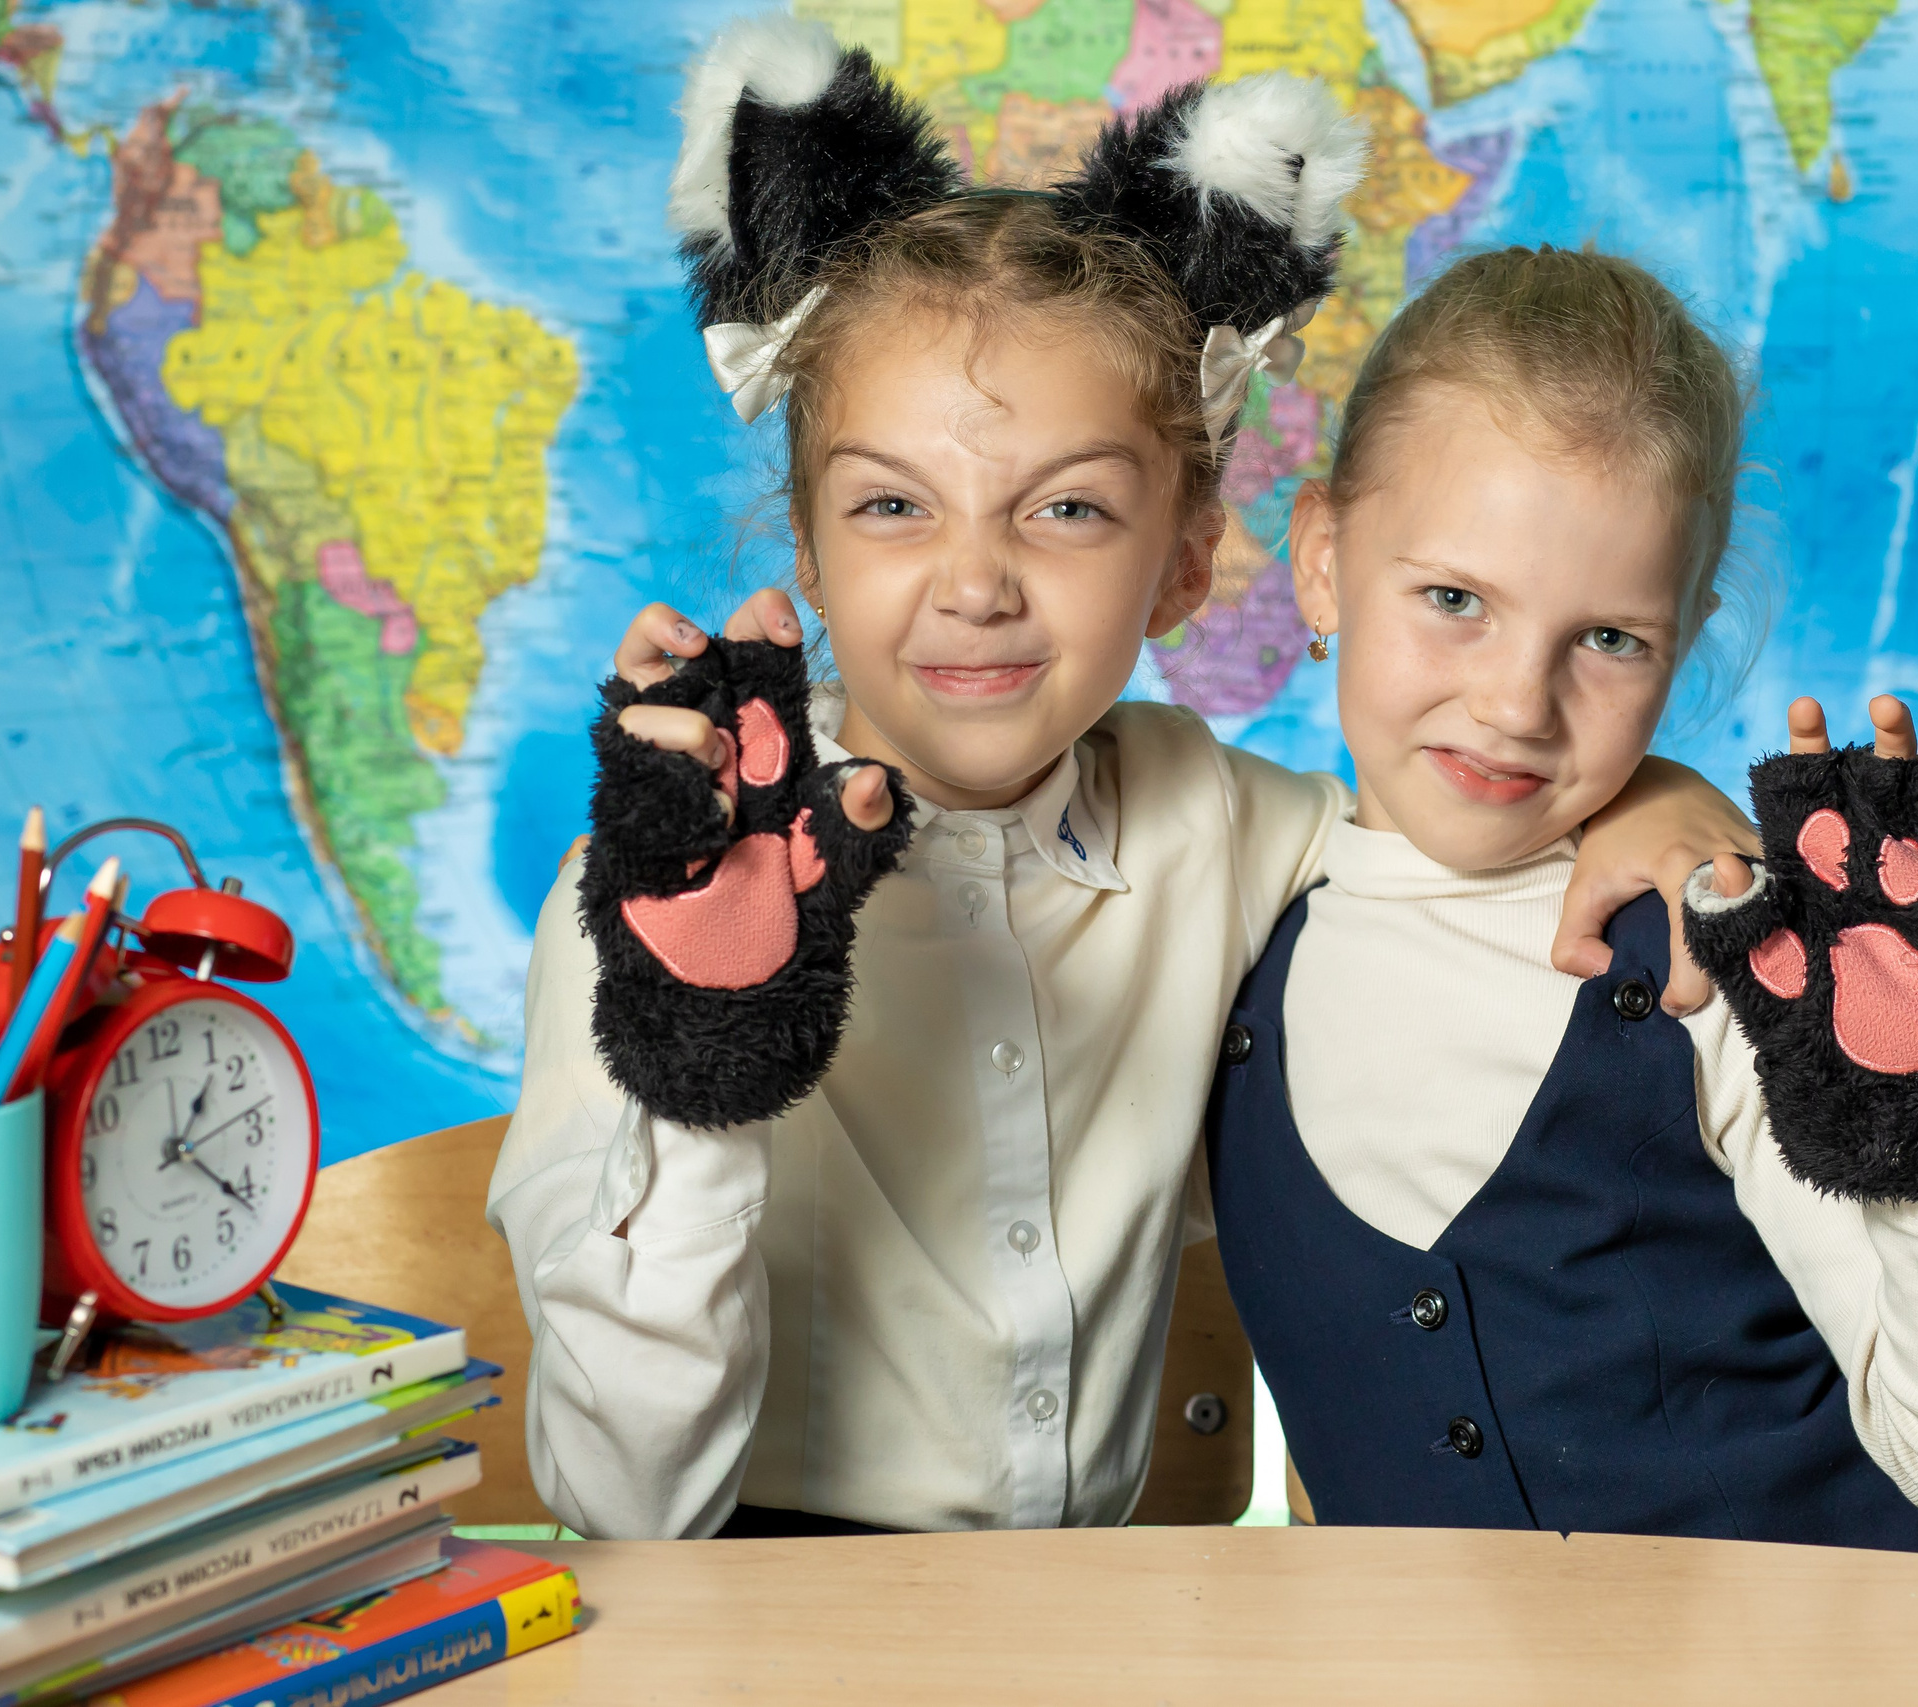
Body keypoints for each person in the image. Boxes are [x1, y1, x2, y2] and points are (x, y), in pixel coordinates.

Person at [489, 16, 1761, 1540]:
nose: (975, 586)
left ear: (1188, 556)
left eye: (1069, 511)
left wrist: (1661, 794)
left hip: (1091, 1631)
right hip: (756, 1622)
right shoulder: (642, 894)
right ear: (808, 553)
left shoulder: (1227, 826)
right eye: (894, 506)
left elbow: (1479, 783)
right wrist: (702, 1057)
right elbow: (622, 1504)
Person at [1205, 244, 1918, 1553]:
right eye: (1454, 599)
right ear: (1325, 559)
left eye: (1610, 639)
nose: (1518, 705)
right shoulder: (1223, 912)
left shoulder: (1717, 955)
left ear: (1686, 635)